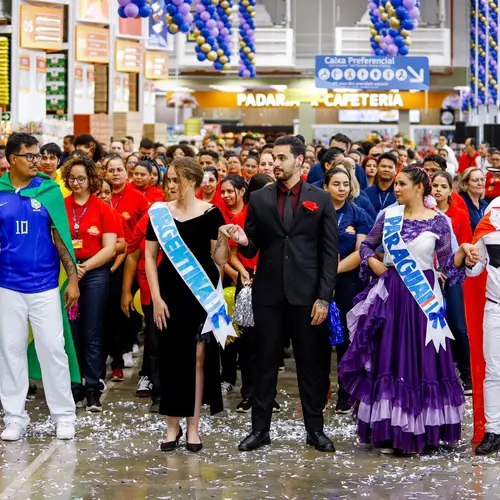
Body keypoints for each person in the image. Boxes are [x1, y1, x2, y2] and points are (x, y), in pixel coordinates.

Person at [339, 165, 478, 455]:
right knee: (391, 358)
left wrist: (463, 251)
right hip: (393, 295)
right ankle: (391, 432)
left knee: (424, 360)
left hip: (424, 298)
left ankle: (425, 432)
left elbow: (449, 267)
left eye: (402, 184)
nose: (396, 189)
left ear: (419, 187)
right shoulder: (387, 216)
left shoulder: (439, 221)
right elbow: (367, 246)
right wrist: (373, 262)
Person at [222, 135, 339, 452]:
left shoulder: (321, 199)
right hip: (268, 293)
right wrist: (242, 240)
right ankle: (259, 430)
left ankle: (315, 430)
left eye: (282, 158)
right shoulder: (259, 198)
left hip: (308, 295)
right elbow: (254, 244)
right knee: (263, 363)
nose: (275, 163)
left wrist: (324, 297)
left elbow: (330, 253)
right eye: (272, 158)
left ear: (300, 161)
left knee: (311, 365)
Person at [145, 157, 230, 452]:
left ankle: (193, 426)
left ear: (191, 182)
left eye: (175, 181)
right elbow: (149, 259)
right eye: (167, 180)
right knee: (170, 358)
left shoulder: (211, 213)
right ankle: (172, 425)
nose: (169, 186)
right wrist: (156, 298)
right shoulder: (159, 214)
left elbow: (219, 260)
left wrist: (223, 237)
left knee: (197, 359)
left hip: (200, 294)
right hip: (167, 294)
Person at [0, 133, 79, 441]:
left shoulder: (49, 190)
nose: (38, 161)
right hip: (7, 285)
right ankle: (14, 417)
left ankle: (63, 415)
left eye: (38, 155)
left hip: (45, 284)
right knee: (10, 350)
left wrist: (72, 280)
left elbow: (61, 238)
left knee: (52, 349)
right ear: (12, 160)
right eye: (30, 156)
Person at [63, 156, 118, 412]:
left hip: (94, 272)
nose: (76, 183)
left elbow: (109, 249)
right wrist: (72, 270)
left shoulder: (103, 208)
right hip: (66, 272)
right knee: (70, 330)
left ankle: (93, 387)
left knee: (91, 331)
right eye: (72, 178)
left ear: (91, 179)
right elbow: (56, 241)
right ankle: (74, 385)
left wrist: (84, 267)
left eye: (81, 178)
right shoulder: (61, 206)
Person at [323, 167, 371, 413]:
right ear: (325, 187)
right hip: (317, 282)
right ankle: (319, 391)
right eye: (336, 184)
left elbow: (361, 250)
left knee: (345, 339)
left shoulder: (358, 213)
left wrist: (334, 271)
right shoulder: (314, 211)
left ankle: (346, 392)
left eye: (345, 184)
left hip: (348, 281)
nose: (341, 189)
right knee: (318, 340)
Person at [105, 156, 149, 380]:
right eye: (110, 170)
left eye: (119, 169)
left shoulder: (138, 198)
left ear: (126, 172)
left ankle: (125, 347)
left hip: (130, 259)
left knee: (127, 308)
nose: (115, 173)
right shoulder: (101, 196)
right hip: (104, 261)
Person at [431, 171, 473, 394]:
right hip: (429, 275)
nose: (438, 190)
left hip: (454, 274)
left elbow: (465, 246)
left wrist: (449, 268)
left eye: (442, 186)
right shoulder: (425, 213)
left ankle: (467, 374)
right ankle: (439, 373)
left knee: (457, 324)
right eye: (434, 185)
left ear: (451, 190)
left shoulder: (459, 214)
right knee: (433, 325)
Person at [459, 167, 488, 232]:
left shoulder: (485, 204)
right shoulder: (460, 202)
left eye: (482, 180)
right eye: (475, 180)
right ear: (465, 184)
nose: (480, 183)